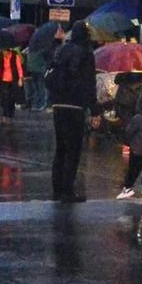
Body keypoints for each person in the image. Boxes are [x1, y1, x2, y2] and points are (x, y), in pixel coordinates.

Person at [45, 22, 100, 201]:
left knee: (60, 148)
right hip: (76, 106)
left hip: (58, 104)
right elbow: (89, 84)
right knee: (73, 150)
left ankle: (57, 189)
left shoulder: (62, 50)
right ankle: (68, 190)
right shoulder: (86, 53)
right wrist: (95, 109)